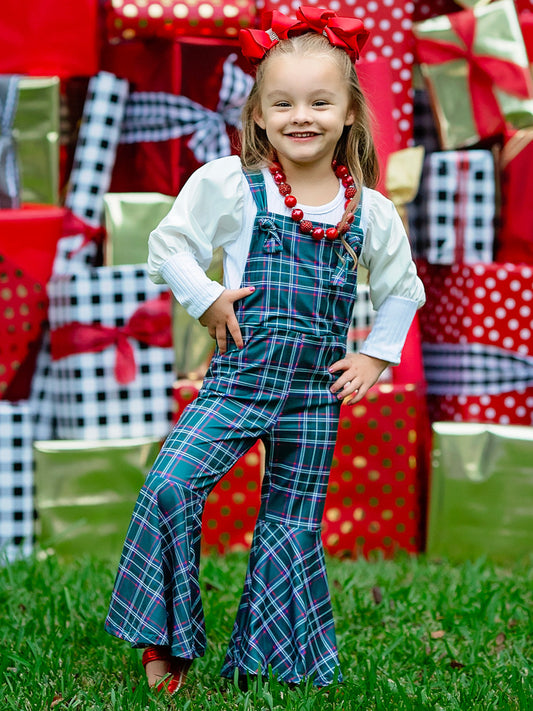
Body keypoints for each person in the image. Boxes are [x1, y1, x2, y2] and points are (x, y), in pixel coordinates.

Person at [105, 5, 425, 694]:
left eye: (318, 101)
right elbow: (169, 244)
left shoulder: (364, 209)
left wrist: (374, 355)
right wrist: (209, 297)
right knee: (170, 484)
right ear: (257, 114)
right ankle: (167, 636)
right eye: (281, 102)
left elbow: (402, 286)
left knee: (289, 519)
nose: (299, 116)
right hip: (240, 382)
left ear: (347, 112)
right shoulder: (232, 186)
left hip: (314, 394)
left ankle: (274, 653)